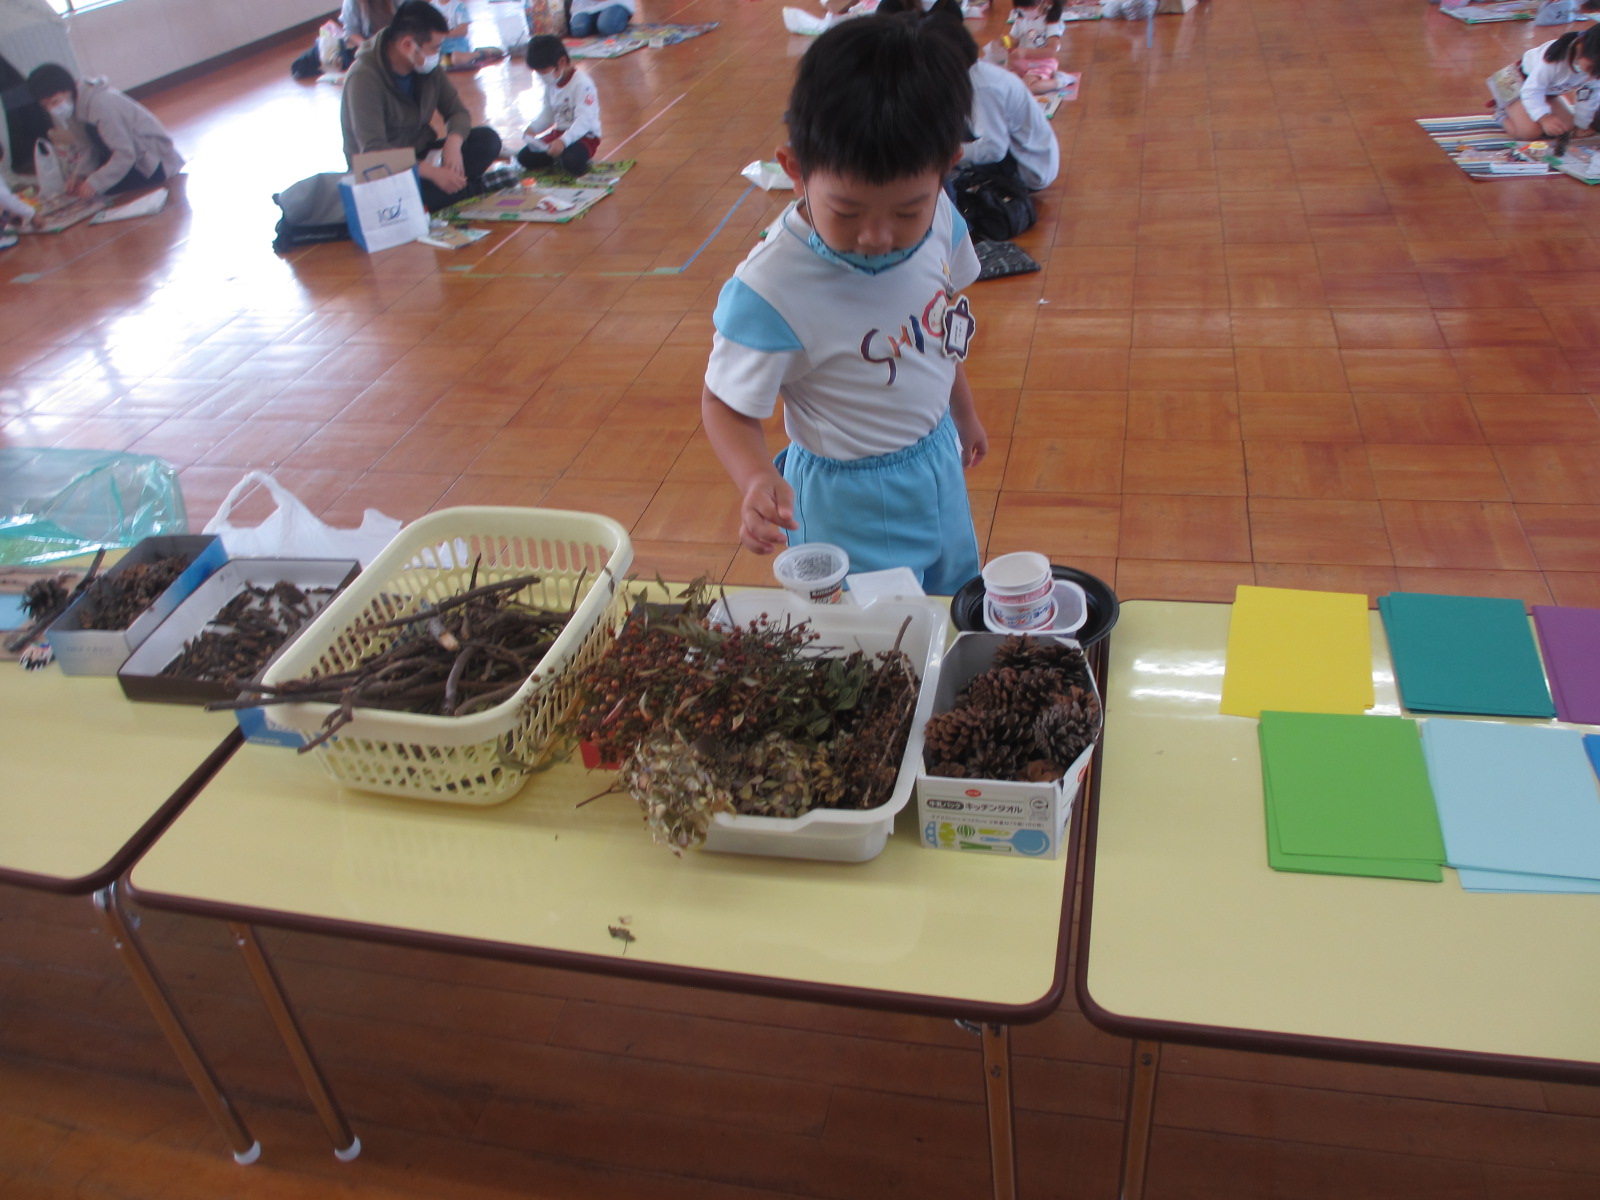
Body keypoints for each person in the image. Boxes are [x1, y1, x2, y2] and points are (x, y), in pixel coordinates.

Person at [701, 15, 987, 595]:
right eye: (848, 212)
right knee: (868, 644)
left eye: (907, 211)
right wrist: (755, 477)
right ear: (795, 170)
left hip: (936, 467)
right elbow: (723, 403)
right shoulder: (771, 290)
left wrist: (963, 413)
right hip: (845, 499)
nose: (879, 236)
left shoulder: (942, 224)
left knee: (956, 600)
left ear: (945, 169)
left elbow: (937, 334)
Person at [339, 0, 504, 211]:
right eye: (434, 48)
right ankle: (470, 188)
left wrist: (453, 144)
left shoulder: (425, 66)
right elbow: (373, 152)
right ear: (408, 45)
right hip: (381, 171)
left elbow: (457, 111)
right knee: (397, 199)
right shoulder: (363, 78)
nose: (437, 54)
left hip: (421, 153)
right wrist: (431, 172)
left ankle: (449, 192)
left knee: (487, 140)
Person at [882, 0, 1058, 190]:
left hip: (1029, 169)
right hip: (1017, 152)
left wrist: (946, 154)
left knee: (949, 176)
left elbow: (994, 149)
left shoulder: (983, 87)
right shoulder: (971, 73)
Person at [25, 64, 183, 198]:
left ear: (68, 90)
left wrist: (95, 182)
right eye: (46, 106)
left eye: (55, 101)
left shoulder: (99, 103)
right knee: (88, 191)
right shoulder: (72, 107)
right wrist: (79, 175)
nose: (53, 109)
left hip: (150, 161)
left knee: (103, 193)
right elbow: (87, 147)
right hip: (126, 157)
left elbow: (125, 153)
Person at [1487, 25, 1600, 141]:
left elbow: (1588, 96)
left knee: (1566, 128)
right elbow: (1532, 90)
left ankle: (1528, 110)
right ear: (1580, 46)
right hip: (1513, 84)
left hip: (1546, 91)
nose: (1592, 76)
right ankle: (1500, 113)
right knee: (1530, 132)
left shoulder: (1595, 73)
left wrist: (1581, 126)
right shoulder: (1554, 60)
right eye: (1591, 68)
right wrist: (1544, 118)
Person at [517, 35, 602, 176]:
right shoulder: (551, 83)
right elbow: (548, 114)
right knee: (525, 157)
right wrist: (532, 129)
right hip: (559, 134)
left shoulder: (582, 84)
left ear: (561, 62)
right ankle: (557, 156)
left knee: (571, 160)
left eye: (543, 72)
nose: (542, 77)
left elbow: (584, 121)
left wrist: (564, 141)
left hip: (585, 136)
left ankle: (563, 156)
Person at [1003, 0, 1066, 96]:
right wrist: (1005, 41)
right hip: (1021, 63)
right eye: (1021, 7)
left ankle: (1058, 82)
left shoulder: (1051, 20)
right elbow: (1014, 40)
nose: (1024, 10)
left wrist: (1025, 53)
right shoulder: (1021, 18)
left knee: (1027, 88)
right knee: (1007, 84)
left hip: (1042, 63)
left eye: (1028, 7)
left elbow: (1051, 51)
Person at [568, 0, 635, 39]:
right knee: (578, 30)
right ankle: (601, 21)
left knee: (608, 26)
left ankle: (613, 18)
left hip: (614, 3)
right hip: (585, 6)